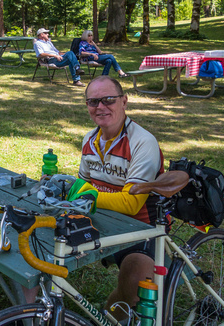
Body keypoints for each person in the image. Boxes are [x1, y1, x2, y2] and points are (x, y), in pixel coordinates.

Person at [79, 75, 163, 320]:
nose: (100, 107)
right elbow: (82, 183)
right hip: (101, 221)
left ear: (124, 101)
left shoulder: (143, 142)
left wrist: (86, 194)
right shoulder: (89, 139)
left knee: (134, 283)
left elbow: (131, 203)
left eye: (108, 100)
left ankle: (112, 315)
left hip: (140, 227)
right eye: (93, 101)